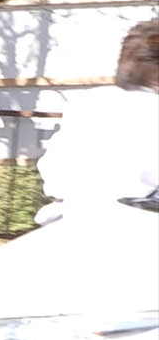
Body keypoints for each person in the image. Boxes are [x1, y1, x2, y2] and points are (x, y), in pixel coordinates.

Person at [34, 18, 159, 225]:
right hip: (139, 232)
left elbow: (54, 171)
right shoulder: (151, 110)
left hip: (70, 225)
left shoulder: (88, 102)